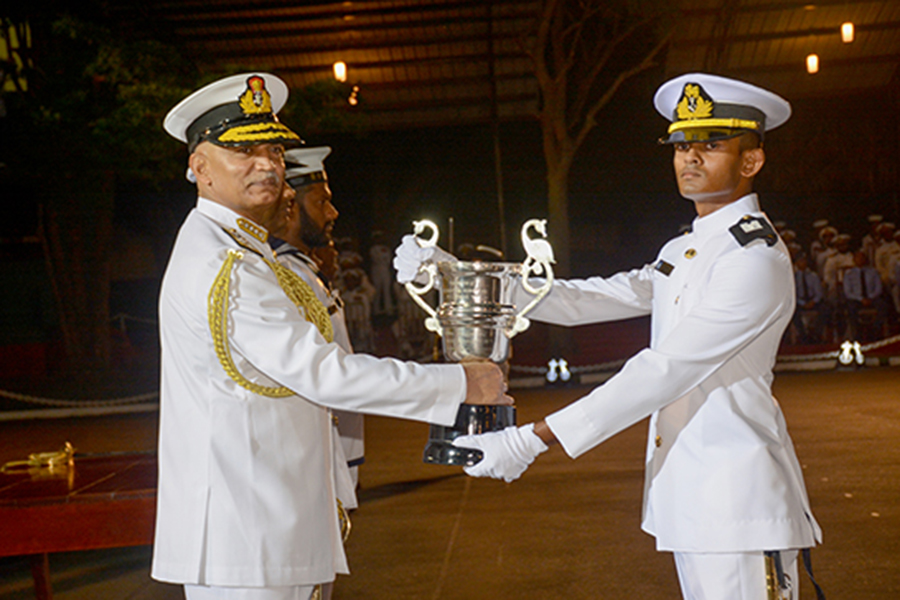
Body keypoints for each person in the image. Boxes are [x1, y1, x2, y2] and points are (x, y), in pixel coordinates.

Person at [398, 73, 823, 599]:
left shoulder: (753, 258)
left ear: (751, 161)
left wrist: (531, 440)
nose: (690, 157)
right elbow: (590, 298)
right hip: (693, 495)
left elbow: (663, 371)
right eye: (681, 145)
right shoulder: (684, 249)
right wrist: (459, 276)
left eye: (711, 145)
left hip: (738, 499)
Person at [152, 72, 509, 600]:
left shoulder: (247, 250)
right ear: (199, 167)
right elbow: (323, 373)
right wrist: (461, 384)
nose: (266, 164)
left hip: (267, 529)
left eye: (272, 149)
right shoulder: (223, 262)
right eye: (243, 151)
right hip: (246, 537)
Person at [270, 145, 365, 492]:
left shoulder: (307, 271)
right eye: (321, 201)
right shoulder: (282, 274)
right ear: (292, 206)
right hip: (316, 460)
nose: (333, 212)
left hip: (337, 451)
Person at [843, 250, 888, 341]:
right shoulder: (849, 274)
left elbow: (878, 288)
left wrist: (870, 298)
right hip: (856, 299)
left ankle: (876, 331)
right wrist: (861, 299)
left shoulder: (873, 272)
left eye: (862, 258)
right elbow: (848, 292)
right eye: (858, 258)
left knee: (882, 305)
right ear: (854, 260)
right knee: (851, 307)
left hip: (872, 297)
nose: (860, 260)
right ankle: (857, 333)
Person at [792, 253, 825, 344]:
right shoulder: (793, 277)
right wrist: (802, 303)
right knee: (793, 311)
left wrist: (813, 302)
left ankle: (817, 334)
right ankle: (803, 335)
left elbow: (819, 293)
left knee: (825, 308)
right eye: (800, 261)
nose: (802, 263)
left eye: (804, 261)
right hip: (799, 302)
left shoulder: (813, 276)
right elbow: (793, 294)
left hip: (813, 301)